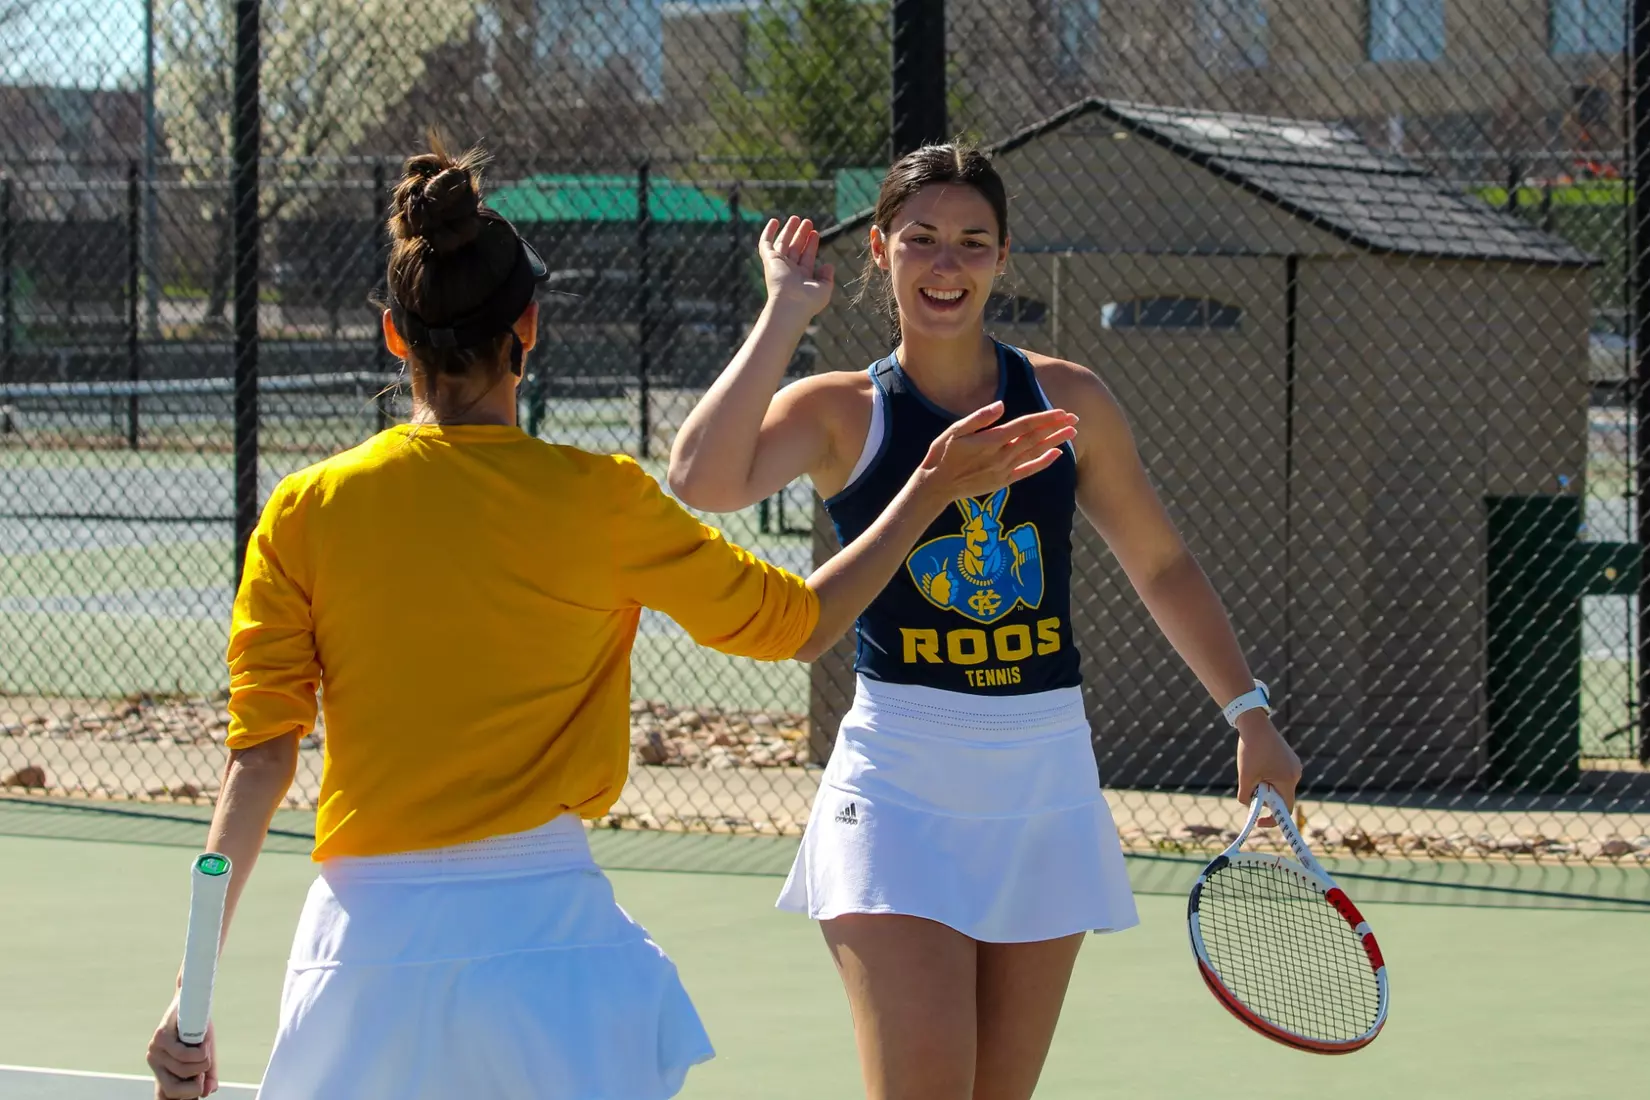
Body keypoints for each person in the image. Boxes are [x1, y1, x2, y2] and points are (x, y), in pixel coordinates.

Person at [142, 138, 1078, 1100]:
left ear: (394, 335)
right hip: (555, 950)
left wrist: (191, 990)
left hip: (361, 949)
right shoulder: (603, 499)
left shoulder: (306, 510)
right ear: (532, 327)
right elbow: (797, 623)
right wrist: (924, 494)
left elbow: (259, 759)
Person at [667, 143, 1304, 1099]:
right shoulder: (844, 409)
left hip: (1042, 779)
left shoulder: (1066, 398)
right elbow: (699, 478)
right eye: (920, 241)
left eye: (972, 243)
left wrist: (1249, 713)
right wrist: (784, 311)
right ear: (880, 251)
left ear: (1004, 259)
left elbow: (1162, 563)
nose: (947, 265)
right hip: (897, 786)